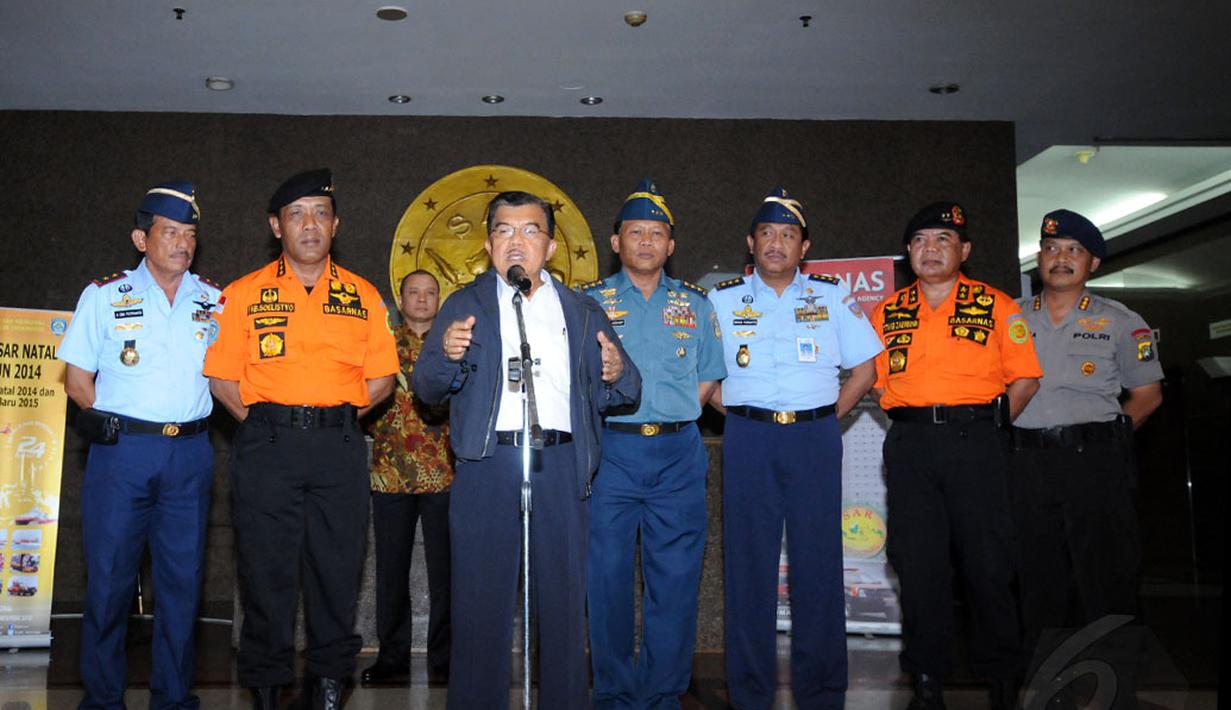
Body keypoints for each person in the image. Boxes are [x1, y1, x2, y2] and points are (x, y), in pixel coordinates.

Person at [413, 190, 641, 710]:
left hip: (560, 465)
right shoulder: (464, 305)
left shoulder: (581, 311)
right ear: (488, 244)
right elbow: (426, 387)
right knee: (479, 607)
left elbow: (629, 389)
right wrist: (446, 355)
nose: (516, 241)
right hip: (488, 465)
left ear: (551, 246)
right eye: (504, 230)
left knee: (564, 607)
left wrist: (615, 372)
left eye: (530, 230)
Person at [204, 168, 398, 710]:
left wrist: (332, 416)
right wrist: (269, 422)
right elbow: (222, 379)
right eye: (296, 215)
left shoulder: (363, 295)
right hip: (267, 446)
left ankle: (330, 681)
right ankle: (266, 685)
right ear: (276, 226)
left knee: (337, 570)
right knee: (265, 571)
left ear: (336, 225)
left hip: (337, 446)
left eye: (320, 214)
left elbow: (382, 378)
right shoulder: (243, 294)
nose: (309, 225)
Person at [708, 187, 882, 710]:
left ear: (804, 247)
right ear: (750, 242)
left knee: (818, 564)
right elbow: (701, 375)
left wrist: (825, 416)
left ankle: (822, 692)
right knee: (747, 566)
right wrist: (741, 415)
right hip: (749, 438)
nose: (776, 243)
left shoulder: (832, 296)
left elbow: (866, 370)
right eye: (767, 233)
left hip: (813, 438)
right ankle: (749, 692)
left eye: (788, 235)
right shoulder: (721, 300)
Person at [868, 202, 1042, 710]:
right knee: (918, 565)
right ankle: (926, 679)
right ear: (908, 251)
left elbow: (1026, 379)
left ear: (964, 250)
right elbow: (874, 381)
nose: (930, 249)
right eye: (920, 240)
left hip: (977, 444)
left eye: (943, 240)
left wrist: (988, 429)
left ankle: (1002, 678)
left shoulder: (997, 305)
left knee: (988, 564)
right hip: (911, 446)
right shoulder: (887, 311)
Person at [58, 181, 220, 710]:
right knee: (109, 581)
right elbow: (77, 379)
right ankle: (103, 699)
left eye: (189, 234)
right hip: (124, 453)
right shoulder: (105, 296)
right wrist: (110, 422)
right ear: (140, 238)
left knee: (182, 584)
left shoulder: (214, 300)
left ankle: (172, 698)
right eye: (170, 232)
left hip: (190, 454)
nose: (182, 243)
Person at [579, 179, 726, 709]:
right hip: (611, 454)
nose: (646, 241)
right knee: (607, 580)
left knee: (676, 581)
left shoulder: (697, 304)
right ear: (615, 242)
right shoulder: (589, 303)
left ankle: (663, 694)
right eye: (635, 232)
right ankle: (615, 694)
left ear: (671, 245)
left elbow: (708, 377)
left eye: (656, 233)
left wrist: (672, 413)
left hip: (677, 454)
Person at [1012, 210, 1163, 705]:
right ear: (1039, 258)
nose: (1061, 258)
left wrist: (1106, 441)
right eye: (1052, 249)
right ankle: (1050, 690)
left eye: (1074, 250)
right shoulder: (1010, 318)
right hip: (1027, 464)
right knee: (1039, 582)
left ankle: (1114, 691)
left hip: (1094, 464)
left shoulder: (1121, 321)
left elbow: (1147, 397)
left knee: (1107, 580)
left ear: (1092, 262)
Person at [362, 270, 453, 685]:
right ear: (400, 300)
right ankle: (392, 656)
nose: (421, 299)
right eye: (413, 292)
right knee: (391, 570)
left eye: (429, 293)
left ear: (439, 300)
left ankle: (445, 657)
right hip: (390, 473)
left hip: (444, 474)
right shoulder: (380, 343)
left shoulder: (452, 345)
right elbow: (364, 398)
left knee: (446, 573)